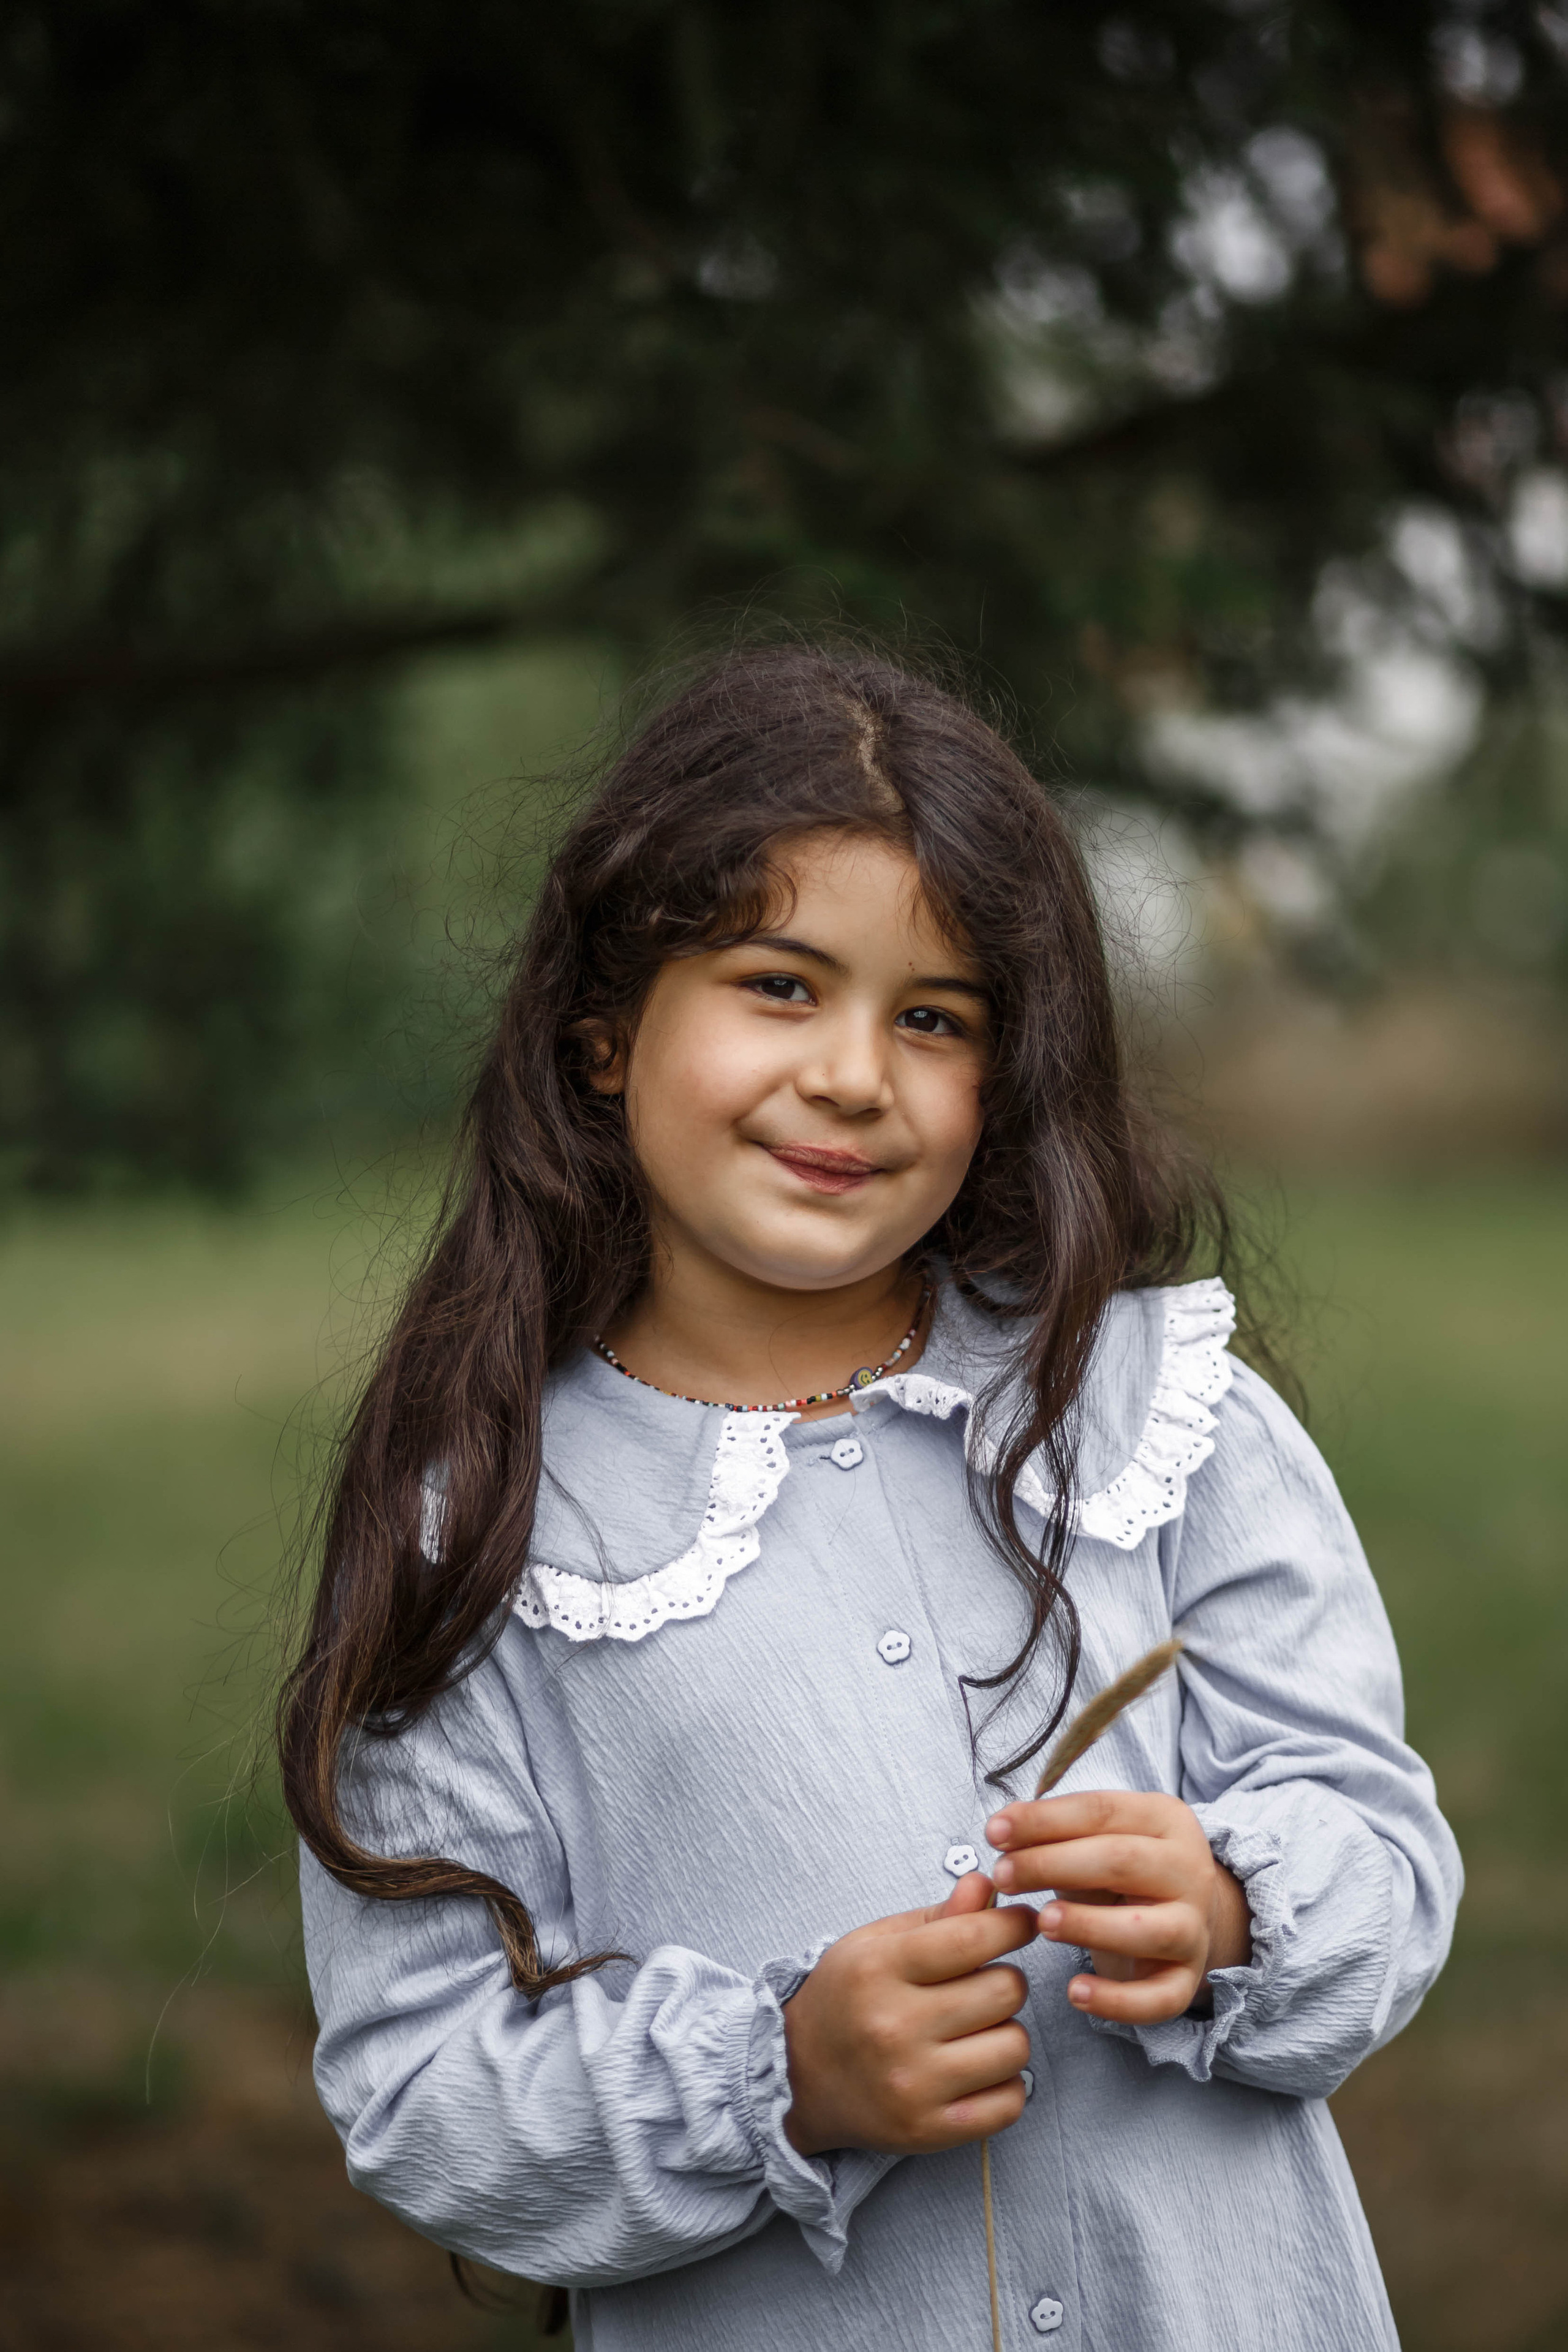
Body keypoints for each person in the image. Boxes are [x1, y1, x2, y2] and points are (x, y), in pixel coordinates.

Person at [282, 643, 1460, 2351]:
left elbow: (1382, 1855)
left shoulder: (1158, 1413)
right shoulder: (484, 1529)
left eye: (933, 1018)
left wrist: (1225, 1907)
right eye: (780, 984)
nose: (853, 1074)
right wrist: (787, 2072)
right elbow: (424, 2089)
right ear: (603, 1035)